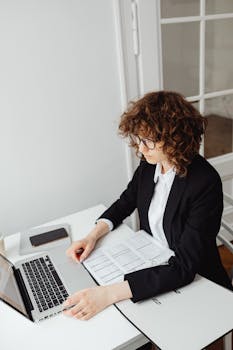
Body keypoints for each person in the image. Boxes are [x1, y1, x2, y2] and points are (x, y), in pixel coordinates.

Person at [63, 91, 233, 323]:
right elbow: (126, 201)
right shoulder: (150, 164)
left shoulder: (204, 183)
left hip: (196, 278)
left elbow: (184, 266)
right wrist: (93, 235)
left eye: (148, 141)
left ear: (175, 139)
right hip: (153, 259)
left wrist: (108, 294)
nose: (141, 149)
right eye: (139, 139)